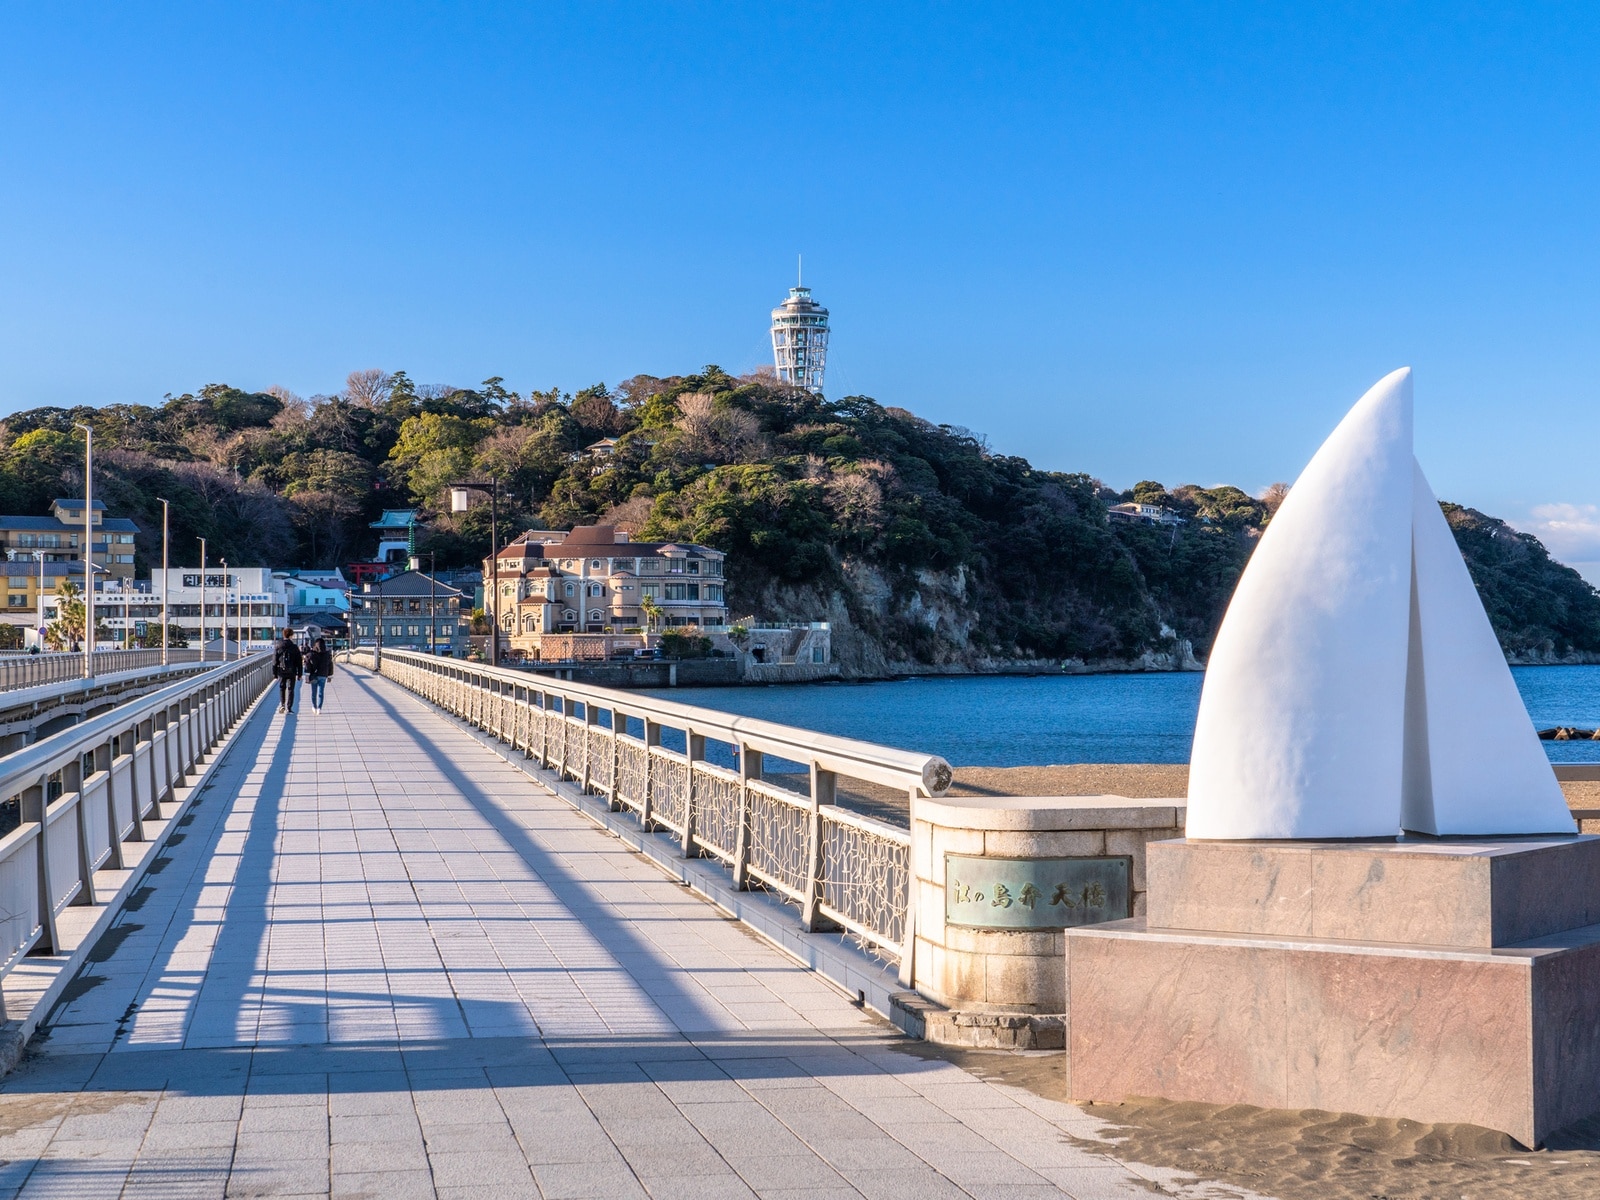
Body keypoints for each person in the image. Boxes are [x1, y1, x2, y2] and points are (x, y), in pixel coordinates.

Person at [272, 629, 303, 714]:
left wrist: (274, 673)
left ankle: (282, 705)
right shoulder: (294, 647)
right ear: (291, 636)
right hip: (292, 671)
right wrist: (300, 674)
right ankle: (289, 708)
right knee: (291, 689)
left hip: (281, 670)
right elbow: (299, 661)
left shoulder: (278, 646)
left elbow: (274, 660)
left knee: (282, 688)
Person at [304, 636, 334, 714]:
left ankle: (314, 706)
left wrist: (307, 675)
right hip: (323, 675)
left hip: (314, 675)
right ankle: (319, 708)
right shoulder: (327, 654)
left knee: (314, 692)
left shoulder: (311, 654)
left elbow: (307, 664)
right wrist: (330, 676)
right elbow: (330, 665)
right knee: (321, 692)